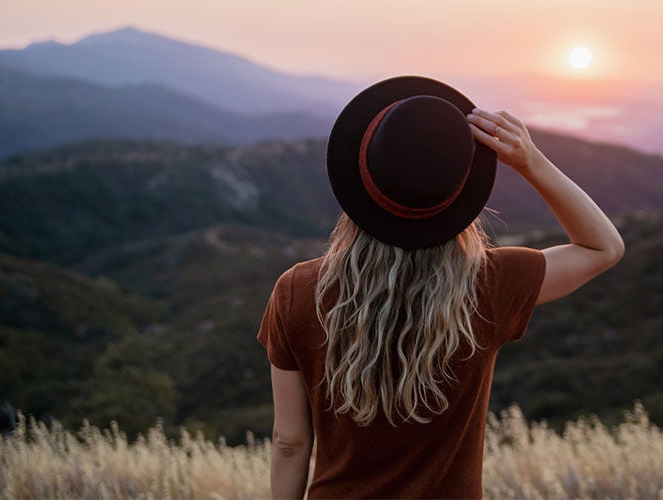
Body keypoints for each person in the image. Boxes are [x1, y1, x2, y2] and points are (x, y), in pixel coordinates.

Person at [256, 76, 624, 498]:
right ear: (460, 195)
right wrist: (529, 161)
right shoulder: (490, 283)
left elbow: (290, 443)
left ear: (359, 180)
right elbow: (603, 247)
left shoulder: (297, 291)